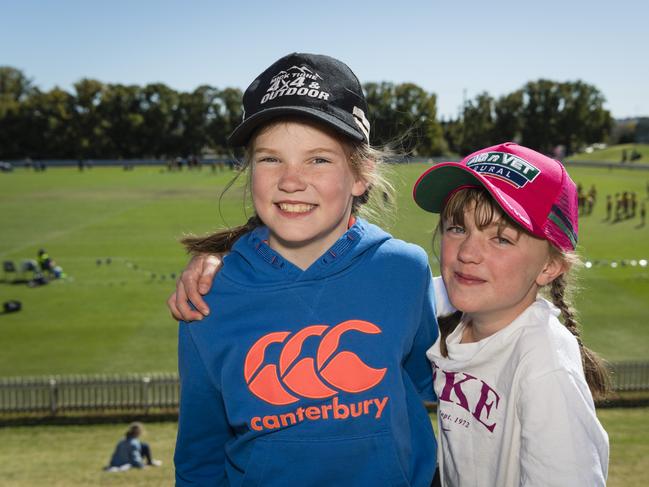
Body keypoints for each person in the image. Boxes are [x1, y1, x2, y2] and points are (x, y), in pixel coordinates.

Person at [173, 52, 442, 486]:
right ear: (248, 170)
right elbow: (199, 458)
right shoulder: (208, 297)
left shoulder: (404, 271)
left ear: (361, 174)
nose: (291, 180)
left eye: (318, 159)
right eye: (270, 158)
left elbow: (431, 387)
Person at [412, 142, 609, 486]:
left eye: (501, 239)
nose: (468, 253)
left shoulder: (545, 367)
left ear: (549, 266)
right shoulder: (454, 310)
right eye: (457, 228)